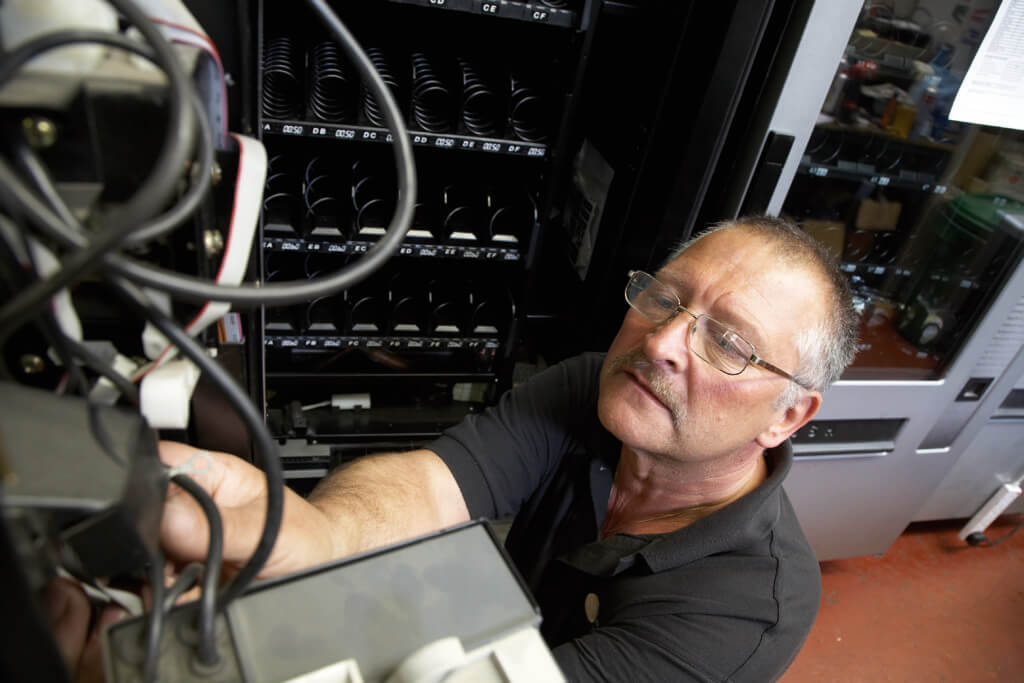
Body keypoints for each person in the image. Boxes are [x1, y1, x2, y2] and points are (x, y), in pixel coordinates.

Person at [61, 215, 860, 681]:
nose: (664, 344)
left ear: (787, 416)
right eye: (666, 298)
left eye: (728, 343)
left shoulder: (742, 610)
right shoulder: (601, 389)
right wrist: (313, 536)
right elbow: (436, 485)